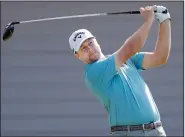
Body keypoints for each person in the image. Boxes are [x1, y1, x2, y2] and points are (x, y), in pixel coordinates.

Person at [69, 5, 171, 136]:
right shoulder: (93, 72)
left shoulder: (126, 60)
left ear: (97, 41)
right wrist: (149, 20)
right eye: (82, 48)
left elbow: (160, 57)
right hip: (128, 133)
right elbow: (130, 48)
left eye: (90, 43)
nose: (89, 49)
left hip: (156, 131)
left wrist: (164, 20)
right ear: (77, 55)